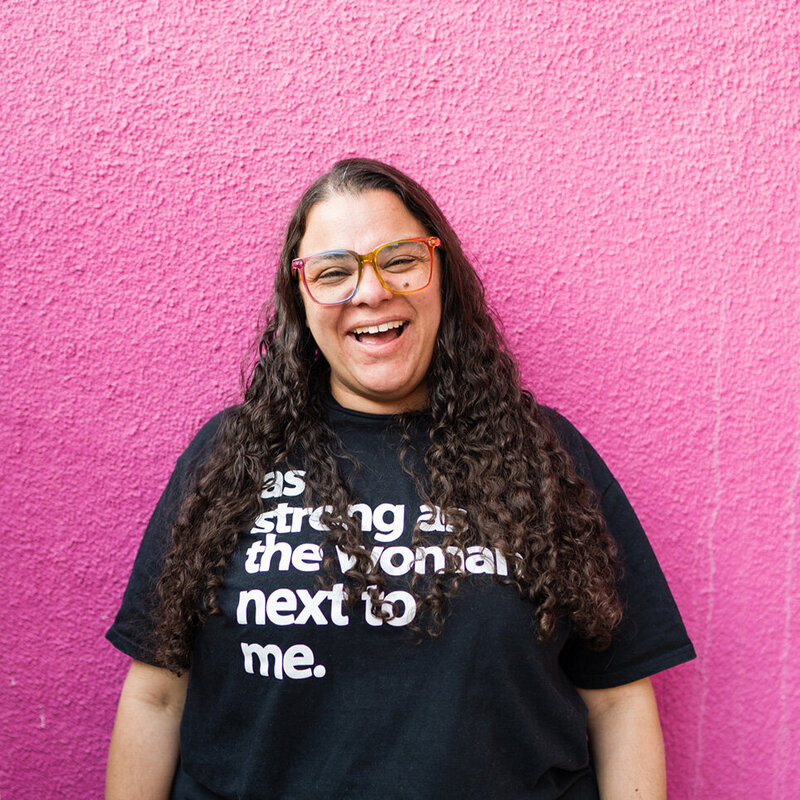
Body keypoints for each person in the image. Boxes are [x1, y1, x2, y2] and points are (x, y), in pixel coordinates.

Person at [106, 158, 695, 800]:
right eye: (334, 272)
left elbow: (619, 705)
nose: (370, 291)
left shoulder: (548, 455)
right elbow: (158, 695)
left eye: (400, 259)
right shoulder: (227, 456)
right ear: (300, 301)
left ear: (441, 274)